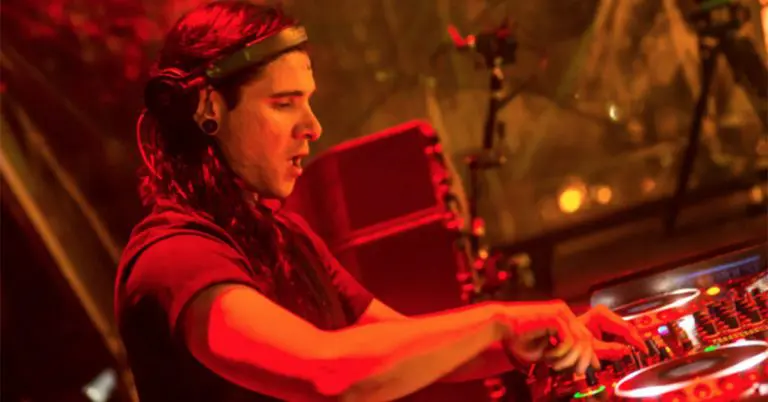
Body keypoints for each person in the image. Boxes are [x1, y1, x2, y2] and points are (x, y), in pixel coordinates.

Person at [114, 1, 648, 401]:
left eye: (308, 102)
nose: (313, 127)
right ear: (208, 108)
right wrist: (496, 321)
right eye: (284, 104)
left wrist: (551, 332)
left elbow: (398, 341)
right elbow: (326, 373)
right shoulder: (174, 259)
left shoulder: (281, 234)